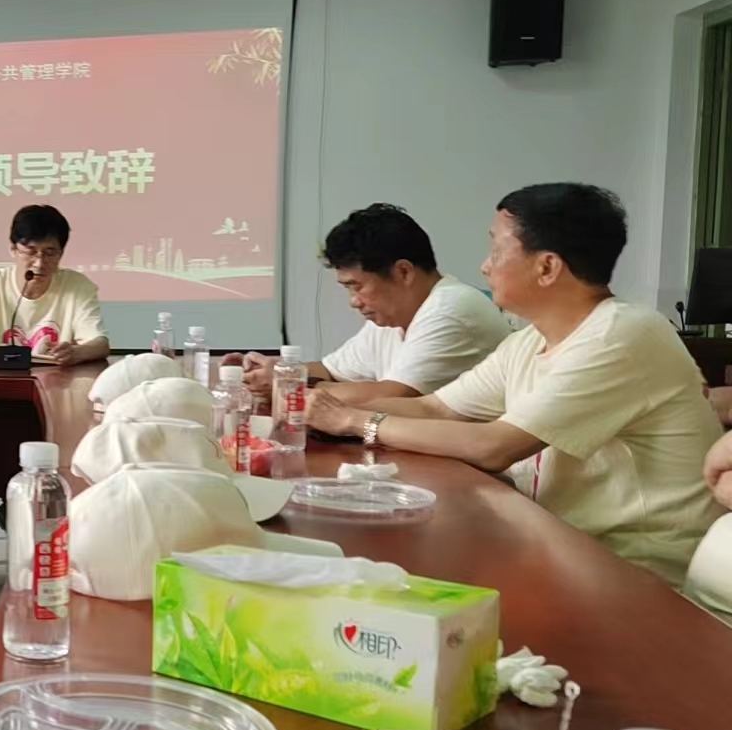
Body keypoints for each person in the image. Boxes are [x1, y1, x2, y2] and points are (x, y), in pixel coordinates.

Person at [308, 183, 724, 585]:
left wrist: (356, 422)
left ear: (547, 267)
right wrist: (320, 411)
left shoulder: (621, 335)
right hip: (561, 547)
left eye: (496, 250)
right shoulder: (529, 341)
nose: (484, 266)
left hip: (638, 574)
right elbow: (435, 407)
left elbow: (495, 446)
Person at [239, 204, 509, 403]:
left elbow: (393, 397)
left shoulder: (450, 309)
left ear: (403, 272)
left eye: (357, 286)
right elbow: (332, 371)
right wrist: (272, 372)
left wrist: (288, 383)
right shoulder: (394, 317)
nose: (353, 302)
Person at [0, 205, 109, 367]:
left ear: (61, 253)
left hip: (57, 378)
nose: (39, 263)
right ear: (13, 249)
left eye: (50, 253)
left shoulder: (78, 287)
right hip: (0, 378)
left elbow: (100, 344)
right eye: (31, 251)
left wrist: (77, 352)